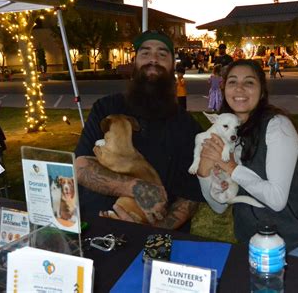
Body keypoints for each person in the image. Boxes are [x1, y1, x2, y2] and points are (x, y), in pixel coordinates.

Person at [196, 59, 298, 264]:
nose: (240, 88)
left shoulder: (277, 126)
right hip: (254, 247)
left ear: (261, 92)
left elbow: (277, 200)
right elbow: (219, 207)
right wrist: (204, 171)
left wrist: (231, 168)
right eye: (232, 82)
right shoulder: (225, 133)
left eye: (249, 82)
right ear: (224, 89)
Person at [74, 30, 204, 231]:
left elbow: (191, 196)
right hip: (97, 227)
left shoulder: (187, 126)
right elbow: (80, 167)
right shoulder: (106, 108)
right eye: (145, 53)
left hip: (155, 237)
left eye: (162, 54)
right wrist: (135, 188)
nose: (153, 59)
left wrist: (155, 228)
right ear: (135, 62)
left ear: (172, 65)